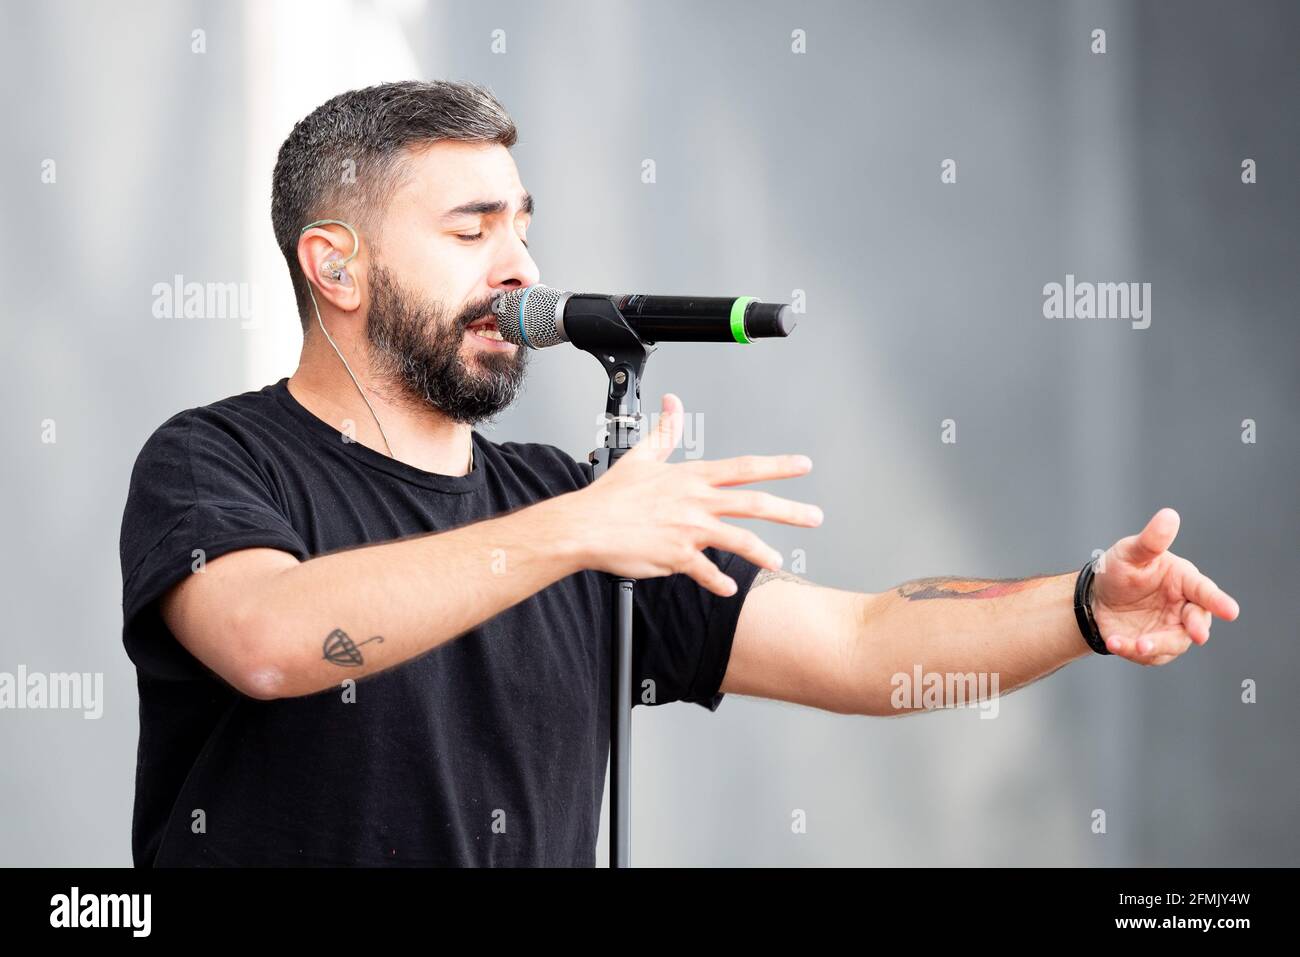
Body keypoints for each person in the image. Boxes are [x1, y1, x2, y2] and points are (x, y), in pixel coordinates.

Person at [119, 80, 1241, 867]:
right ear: (337, 267)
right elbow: (266, 644)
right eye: (472, 232)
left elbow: (866, 646)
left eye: (523, 227)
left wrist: (1083, 605)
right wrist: (574, 532)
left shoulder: (579, 510)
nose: (521, 267)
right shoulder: (216, 460)